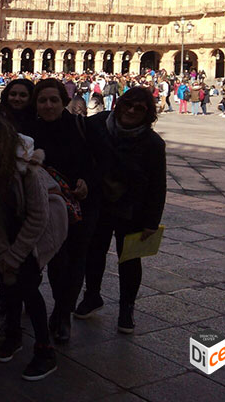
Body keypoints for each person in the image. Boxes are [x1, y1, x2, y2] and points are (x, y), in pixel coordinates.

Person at [0, 115, 67, 380]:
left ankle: (45, 351)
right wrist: (4, 253)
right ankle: (14, 335)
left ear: (7, 143)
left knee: (28, 286)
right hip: (12, 224)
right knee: (8, 283)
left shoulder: (28, 170)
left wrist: (16, 255)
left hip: (43, 225)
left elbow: (38, 218)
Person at [75, 88, 166, 334]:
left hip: (133, 207)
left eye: (140, 108)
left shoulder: (153, 143)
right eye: (128, 104)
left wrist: (152, 220)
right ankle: (92, 296)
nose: (132, 111)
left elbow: (158, 183)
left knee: (130, 259)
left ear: (148, 114)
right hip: (99, 202)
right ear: (119, 103)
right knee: (94, 252)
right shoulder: (97, 125)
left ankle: (127, 307)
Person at [30, 78, 94, 344]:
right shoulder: (29, 133)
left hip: (80, 207)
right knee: (57, 262)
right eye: (43, 100)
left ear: (64, 102)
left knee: (75, 263)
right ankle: (60, 307)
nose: (48, 105)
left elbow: (97, 162)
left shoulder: (82, 128)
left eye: (54, 100)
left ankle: (63, 313)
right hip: (46, 208)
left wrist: (86, 181)